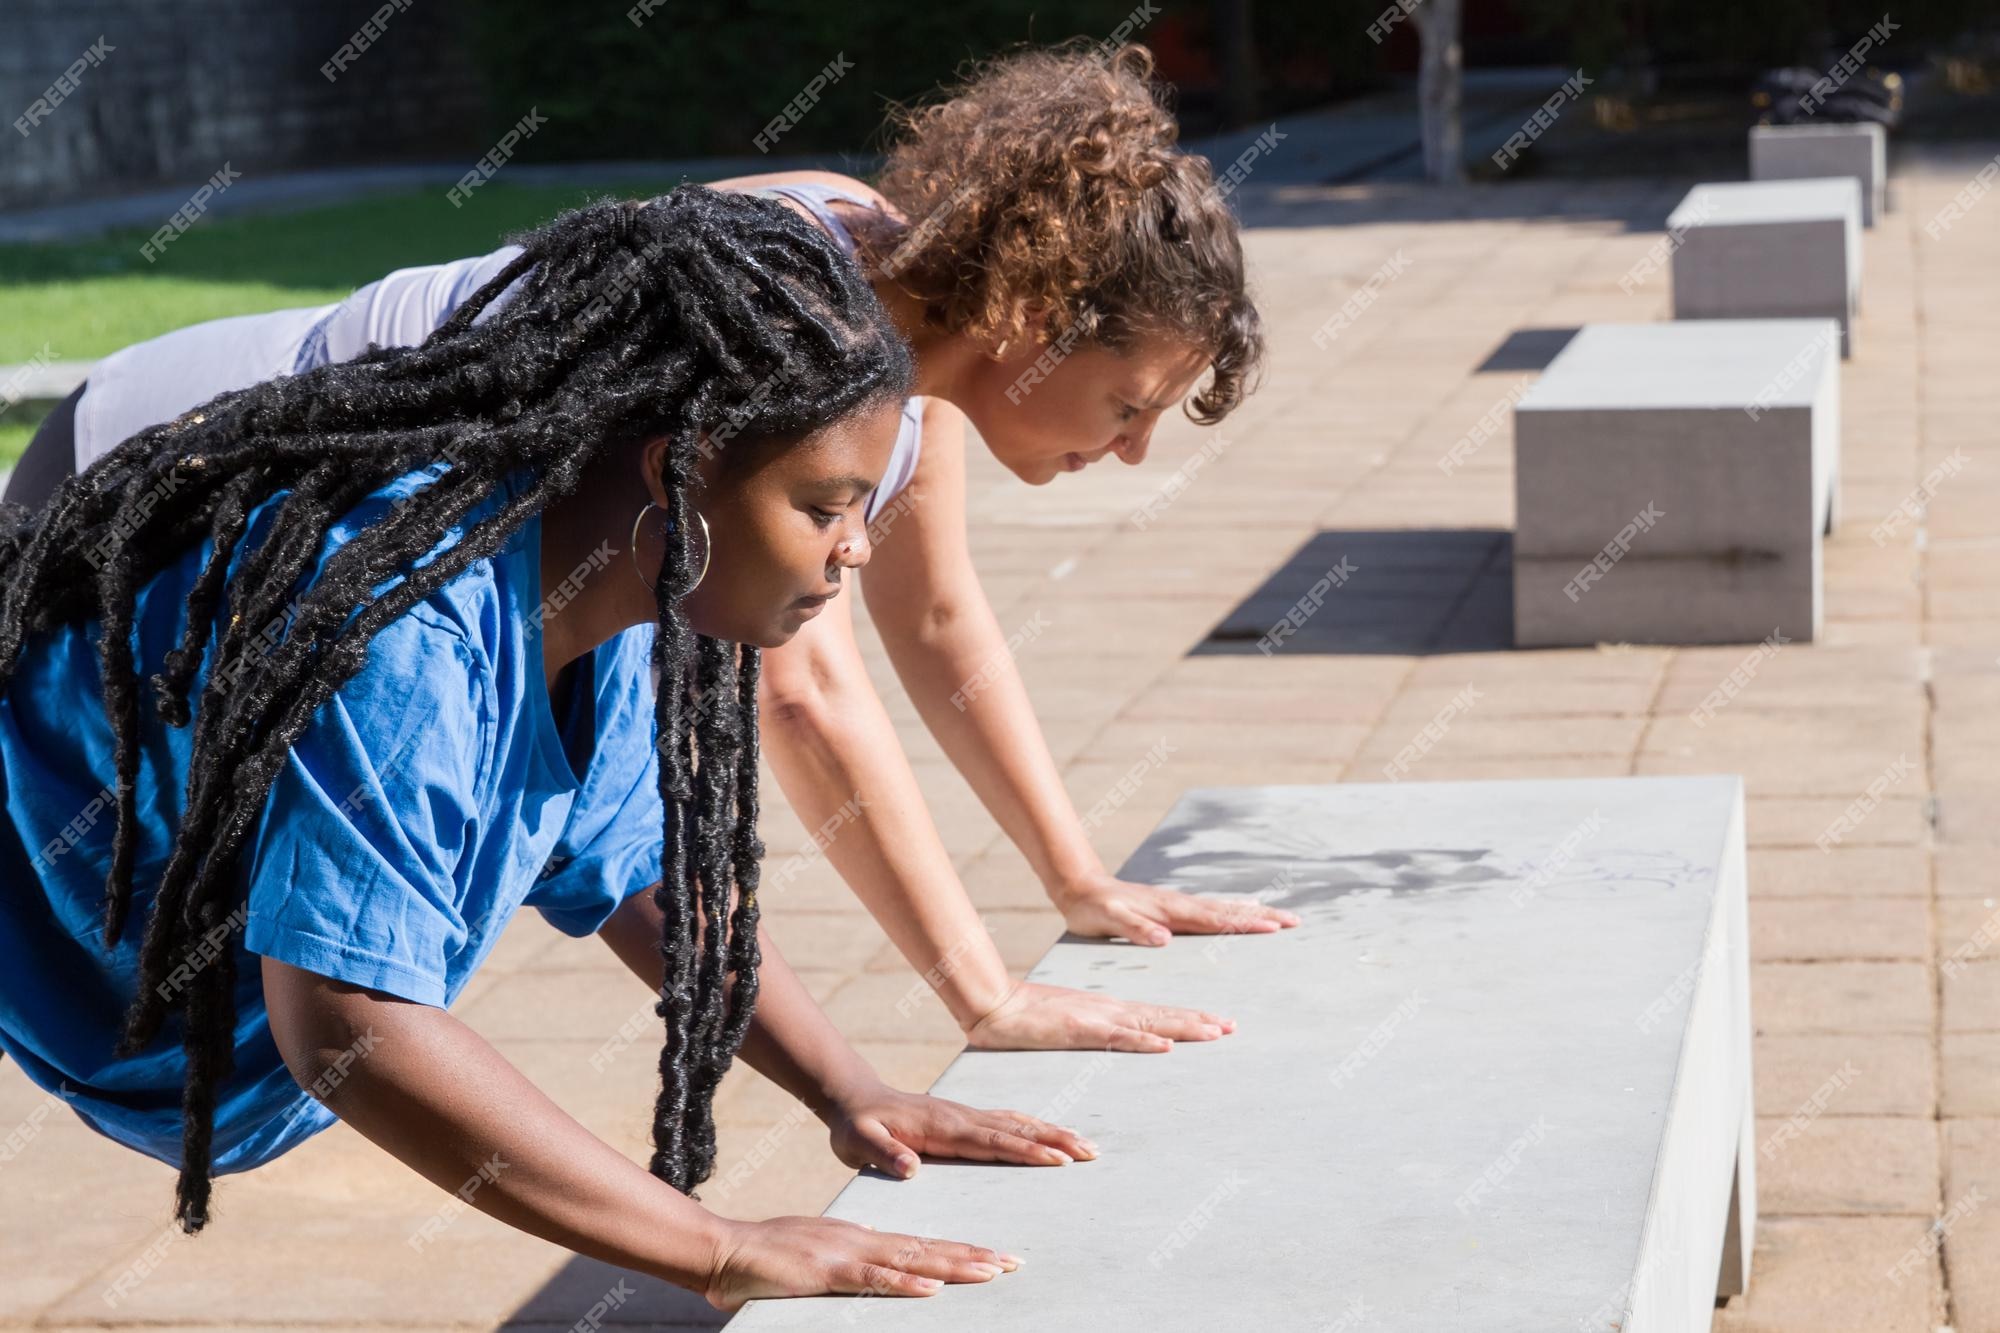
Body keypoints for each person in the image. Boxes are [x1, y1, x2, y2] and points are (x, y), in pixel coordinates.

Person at [9, 42, 1299, 1057]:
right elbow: (803, 695)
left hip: (279, 512)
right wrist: (983, 994)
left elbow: (940, 622)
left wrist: (1077, 880)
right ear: (1031, 317)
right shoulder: (796, 304)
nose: (1130, 449)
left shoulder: (912, 349)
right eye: (1128, 404)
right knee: (124, 928)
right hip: (157, 471)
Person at [0, 188, 1092, 1311]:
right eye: (825, 505)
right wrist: (710, 1245)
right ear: (674, 475)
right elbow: (346, 1020)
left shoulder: (605, 592)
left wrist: (848, 1091)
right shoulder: (405, 631)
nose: (857, 548)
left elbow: (639, 876)